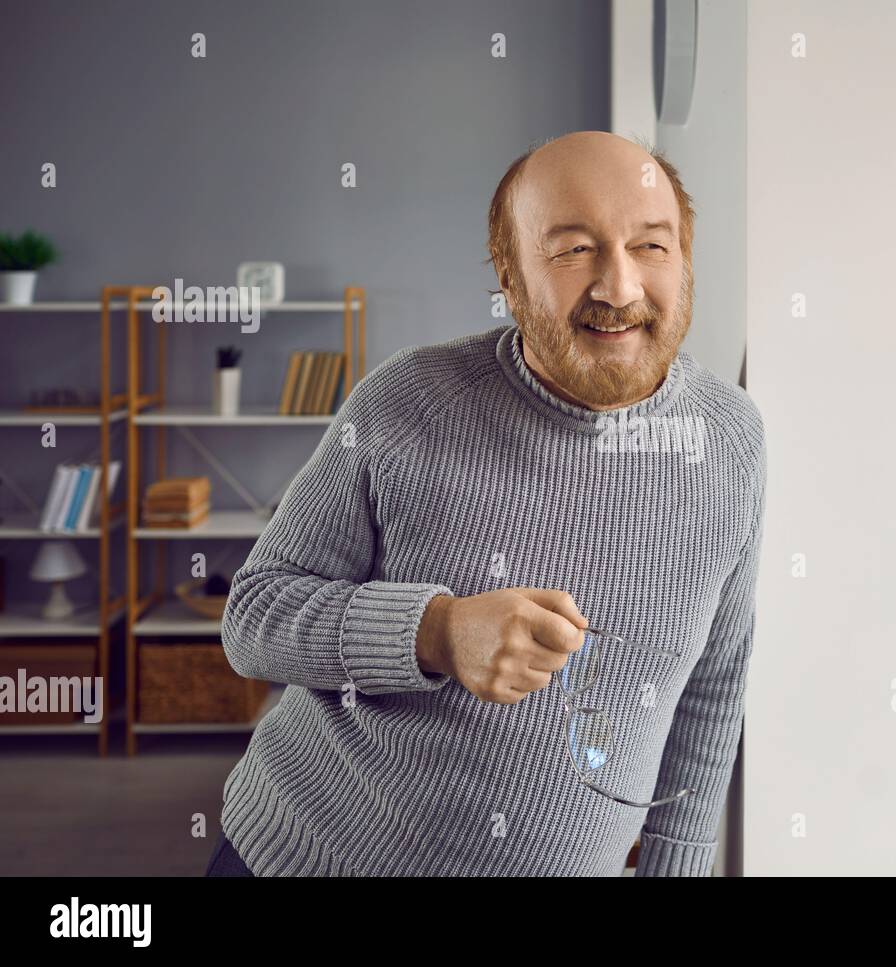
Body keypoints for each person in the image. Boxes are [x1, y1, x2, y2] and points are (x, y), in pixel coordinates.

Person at [210, 131, 766, 876]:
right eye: (573, 250)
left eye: (651, 246)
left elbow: (712, 686)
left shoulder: (732, 441)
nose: (619, 287)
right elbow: (253, 618)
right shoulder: (407, 401)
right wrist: (436, 632)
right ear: (508, 277)